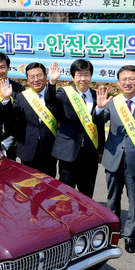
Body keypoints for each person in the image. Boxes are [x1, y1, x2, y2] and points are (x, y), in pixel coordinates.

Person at [95, 65, 135, 254]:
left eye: (132, 79)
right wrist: (99, 109)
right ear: (118, 82)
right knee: (112, 199)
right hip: (113, 158)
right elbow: (98, 122)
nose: (127, 82)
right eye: (124, 79)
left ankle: (130, 235)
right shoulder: (113, 102)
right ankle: (113, 233)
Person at [47, 59, 105, 198]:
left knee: (87, 191)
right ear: (73, 77)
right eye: (79, 75)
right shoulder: (64, 92)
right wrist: (52, 83)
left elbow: (100, 125)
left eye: (86, 74)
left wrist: (100, 149)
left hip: (90, 153)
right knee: (66, 192)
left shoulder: (97, 96)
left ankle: (86, 218)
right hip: (69, 151)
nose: (83, 78)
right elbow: (51, 102)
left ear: (91, 76)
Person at [4, 62, 58, 177]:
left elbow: (54, 102)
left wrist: (52, 83)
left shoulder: (55, 96)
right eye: (32, 77)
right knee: (28, 185)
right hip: (28, 149)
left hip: (49, 150)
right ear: (27, 80)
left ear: (45, 76)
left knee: (49, 186)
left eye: (39, 75)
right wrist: (7, 99)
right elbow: (12, 117)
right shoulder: (21, 96)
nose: (36, 80)